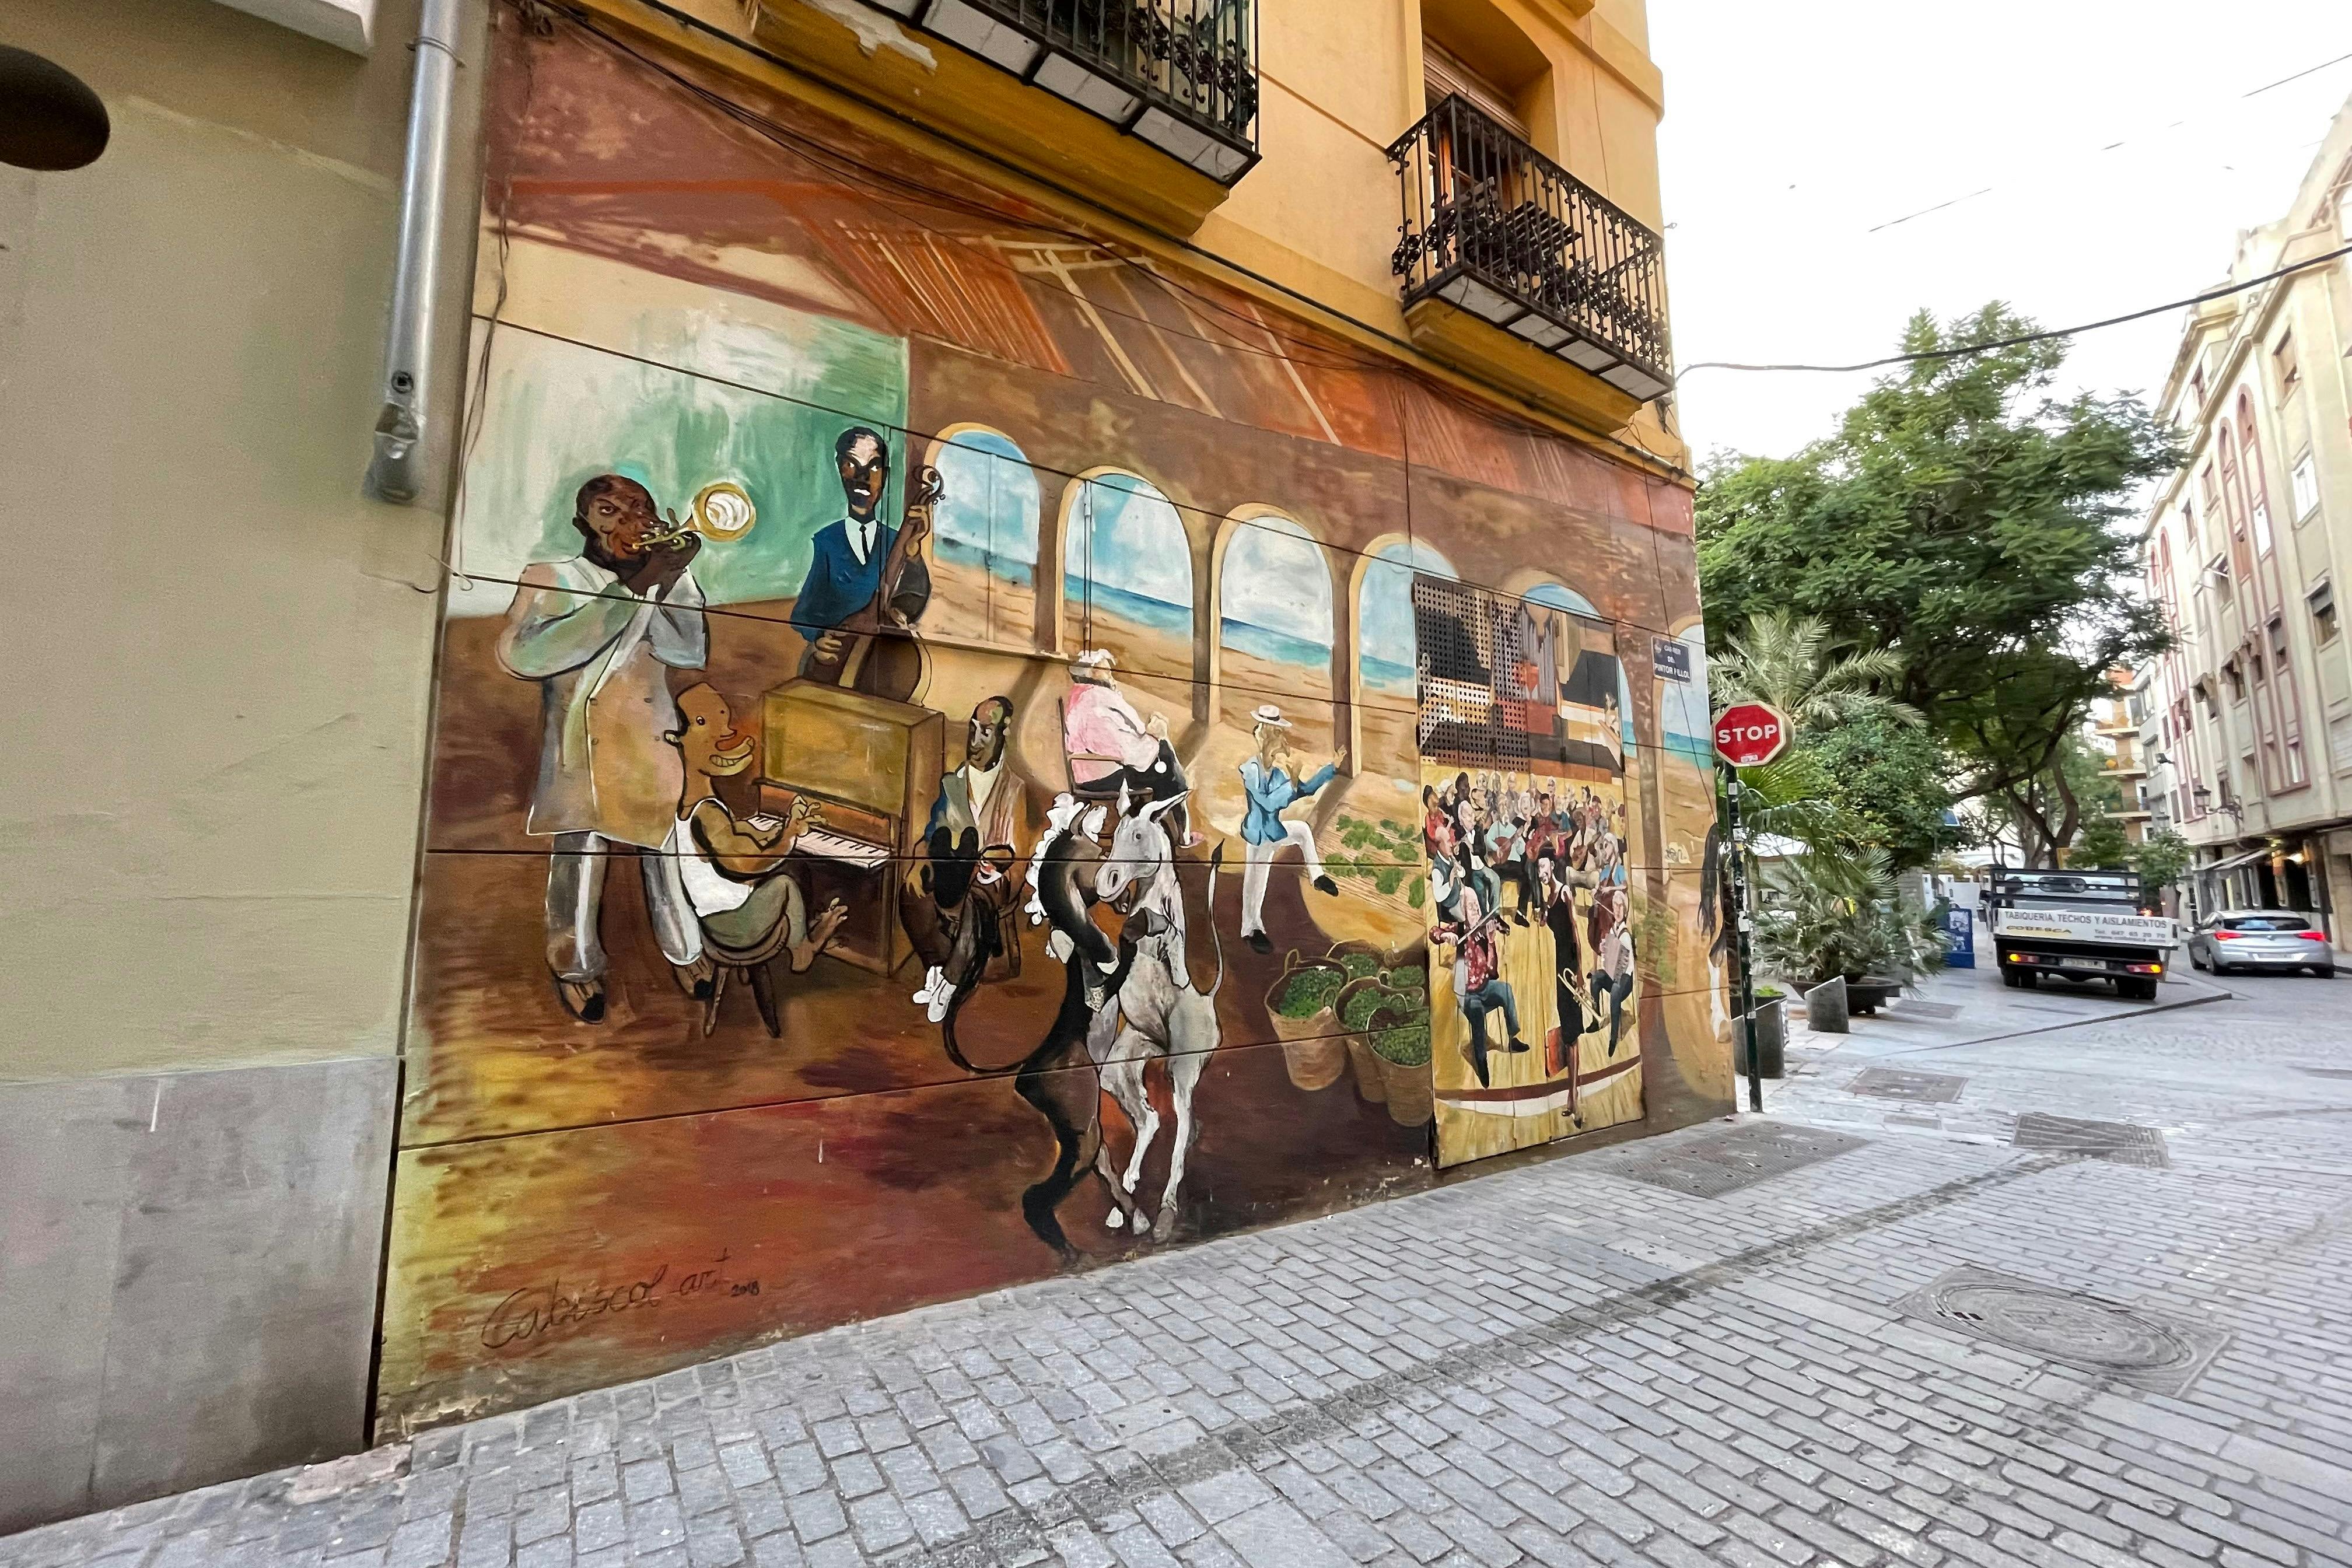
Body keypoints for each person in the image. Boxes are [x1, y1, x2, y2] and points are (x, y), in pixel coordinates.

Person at [498, 474, 710, 1024]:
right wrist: (634, 588)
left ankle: (685, 950)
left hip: (647, 739)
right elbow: (526, 657)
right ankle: (576, 967)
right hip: (581, 746)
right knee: (578, 862)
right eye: (608, 510)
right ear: (584, 524)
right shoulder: (552, 577)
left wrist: (664, 579)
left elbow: (688, 650)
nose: (625, 520)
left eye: (637, 508)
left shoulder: (673, 578)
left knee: (665, 854)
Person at [662, 684, 849, 967]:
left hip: (723, 917)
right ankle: (802, 952)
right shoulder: (708, 813)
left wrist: (786, 826)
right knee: (785, 883)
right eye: (702, 724)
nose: (723, 735)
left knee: (791, 868)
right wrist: (788, 836)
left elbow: (743, 833)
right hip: (731, 927)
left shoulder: (698, 804)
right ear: (678, 739)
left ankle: (801, 930)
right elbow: (745, 862)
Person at [904, 696, 1037, 1020]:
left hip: (991, 881)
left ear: (1004, 733)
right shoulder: (954, 782)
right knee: (912, 889)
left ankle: (950, 984)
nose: (975, 743)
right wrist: (919, 859)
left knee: (977, 895)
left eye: (986, 733)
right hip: (954, 870)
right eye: (972, 731)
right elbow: (933, 833)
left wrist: (995, 868)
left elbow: (1018, 858)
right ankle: (936, 966)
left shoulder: (1014, 790)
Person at [791, 426, 932, 673]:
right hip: (832, 665)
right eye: (852, 465)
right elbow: (805, 612)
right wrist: (817, 637)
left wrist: (913, 550)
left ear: (884, 476)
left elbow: (913, 603)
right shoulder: (827, 540)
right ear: (841, 470)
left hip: (878, 664)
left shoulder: (895, 541)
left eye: (874, 467)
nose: (863, 478)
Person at [1235, 705, 1343, 953]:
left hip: (1273, 830)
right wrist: (1292, 784)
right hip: (1258, 836)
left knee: (1302, 830)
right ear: (1263, 736)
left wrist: (1331, 768)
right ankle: (1251, 930)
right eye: (1274, 736)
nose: (1279, 744)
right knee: (1255, 884)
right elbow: (1267, 802)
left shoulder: (1277, 774)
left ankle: (1317, 877)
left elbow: (1303, 790)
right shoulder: (1250, 769)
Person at [1062, 649, 1195, 846]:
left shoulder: (1086, 698)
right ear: (1093, 674)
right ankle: (1163, 825)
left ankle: (1163, 819)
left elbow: (1119, 740)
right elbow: (1123, 749)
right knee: (1166, 762)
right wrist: (1154, 737)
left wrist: (1150, 736)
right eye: (1105, 671)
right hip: (1104, 775)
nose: (1111, 676)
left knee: (1165, 759)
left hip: (1100, 768)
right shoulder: (1095, 705)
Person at [1433, 883, 1528, 1088]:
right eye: (1472, 907)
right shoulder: (1459, 930)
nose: (1477, 911)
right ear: (1463, 911)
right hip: (1467, 995)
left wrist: (1492, 941)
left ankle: (1513, 1037)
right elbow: (1434, 932)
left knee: (1506, 990)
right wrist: (1444, 936)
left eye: (1478, 906)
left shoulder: (1485, 934)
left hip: (1484, 987)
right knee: (1477, 1015)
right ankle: (1481, 1060)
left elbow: (1493, 972)